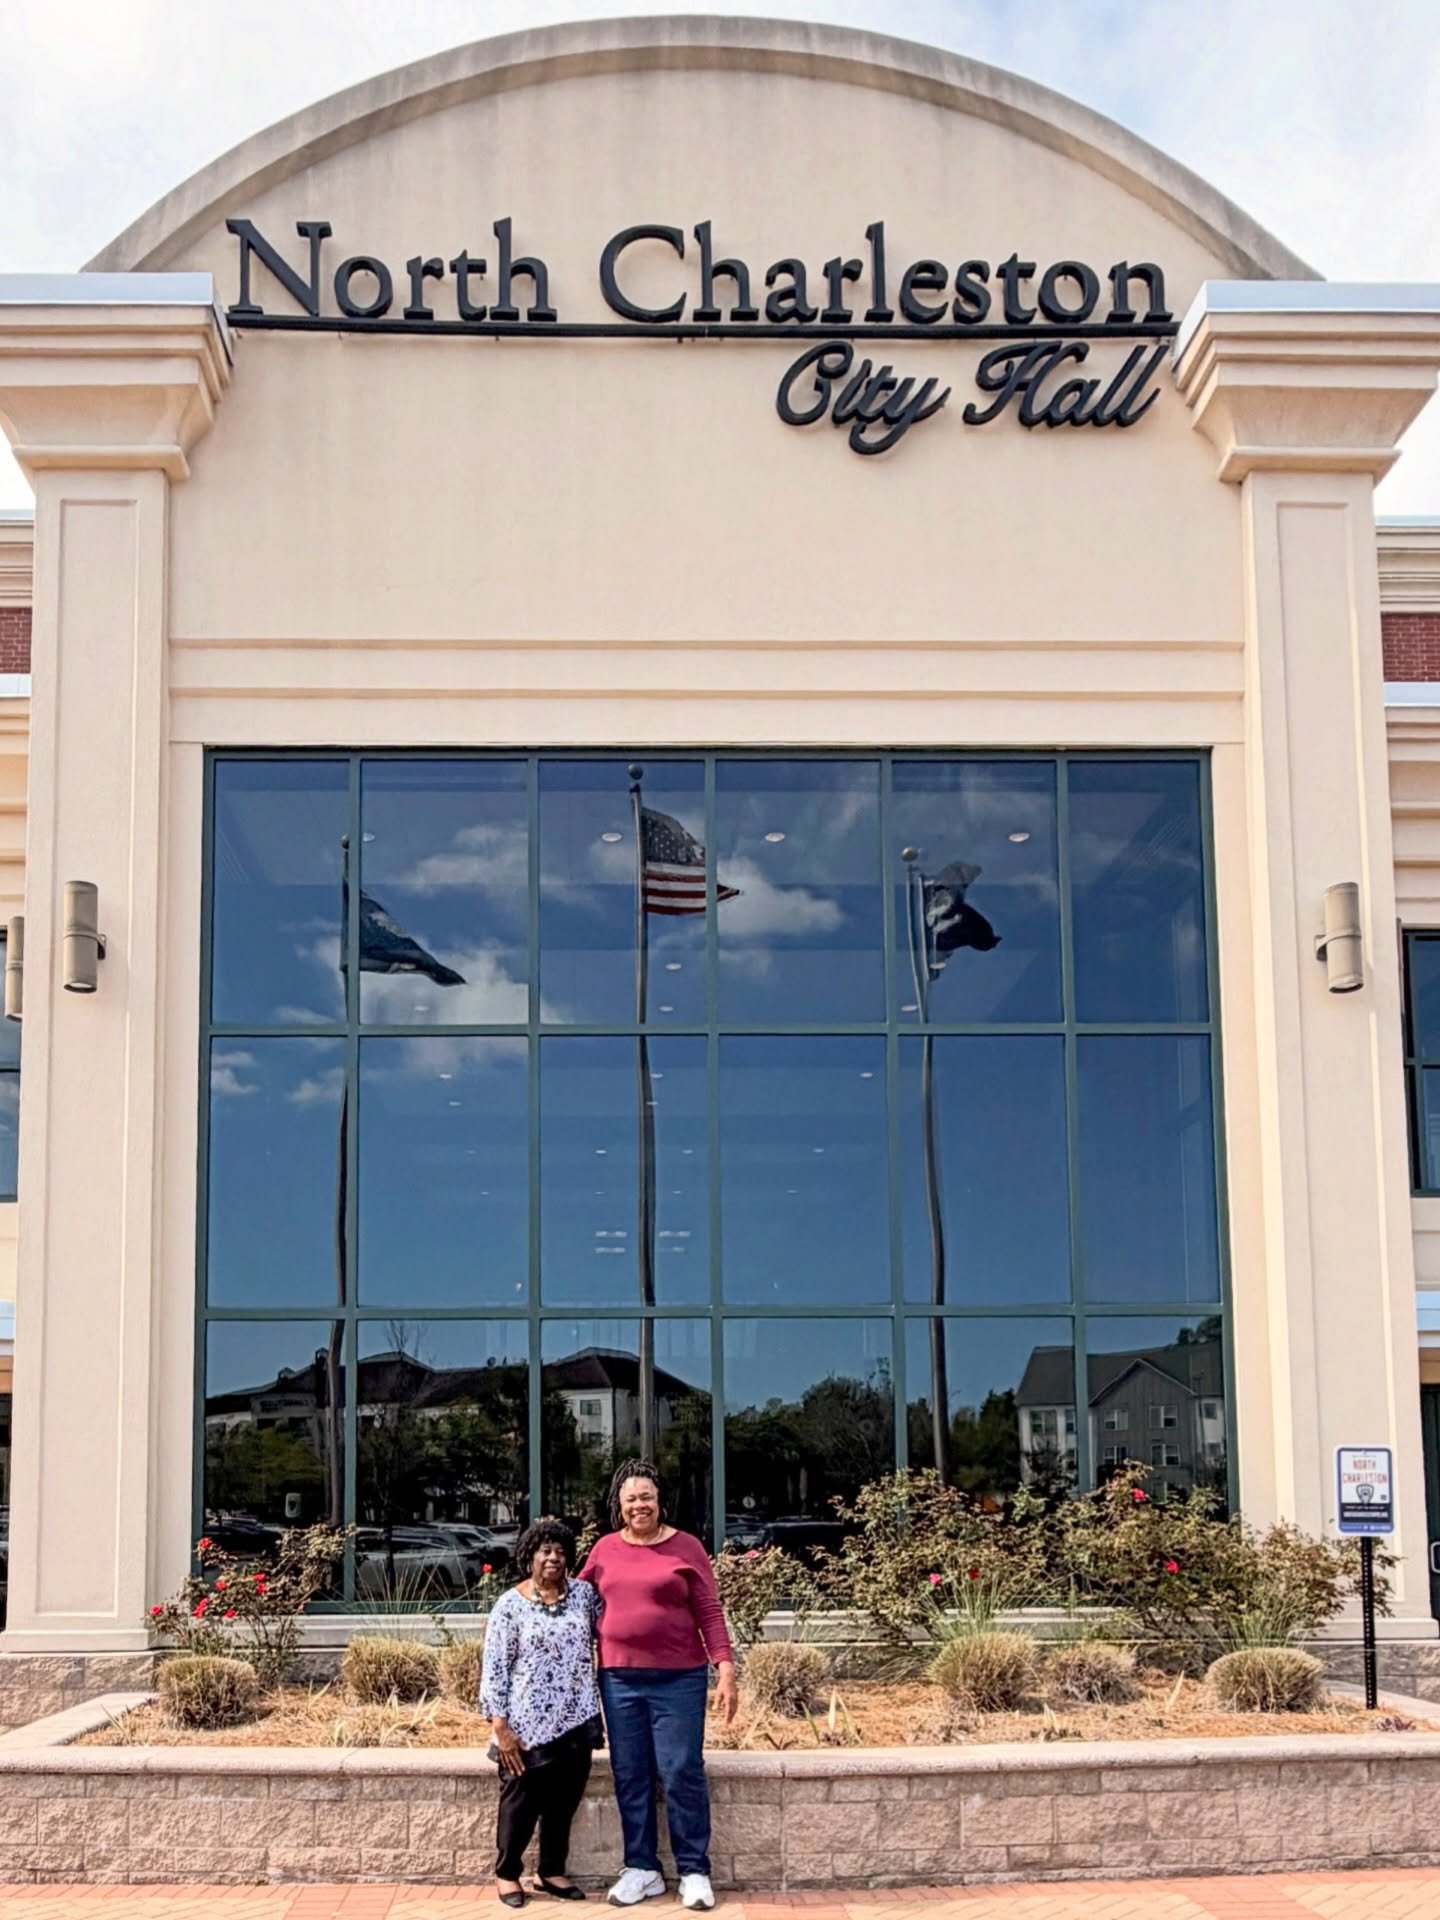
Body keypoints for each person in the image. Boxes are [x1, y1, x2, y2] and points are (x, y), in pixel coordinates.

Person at [579, 1458, 737, 1913]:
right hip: (619, 1680)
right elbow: (576, 1604)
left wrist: (724, 1667)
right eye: (631, 1499)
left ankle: (694, 1871)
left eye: (646, 1497)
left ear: (659, 1500)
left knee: (681, 1769)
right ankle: (642, 1869)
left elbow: (709, 1611)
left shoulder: (686, 1548)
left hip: (679, 1680)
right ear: (619, 1505)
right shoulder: (604, 1550)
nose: (639, 1505)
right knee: (630, 1774)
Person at [481, 1516, 603, 1909]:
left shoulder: (584, 1596)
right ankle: (506, 1874)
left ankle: (550, 1870)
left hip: (576, 1719)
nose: (554, 1557)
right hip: (525, 1726)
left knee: (563, 1802)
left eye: (561, 1551)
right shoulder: (510, 1605)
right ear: (529, 1555)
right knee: (520, 1802)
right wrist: (500, 1725)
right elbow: (495, 1666)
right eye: (545, 1550)